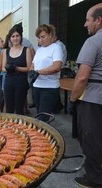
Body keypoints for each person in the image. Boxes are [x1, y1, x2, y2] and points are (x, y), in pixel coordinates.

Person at [70, 3, 102, 187]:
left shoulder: (92, 42)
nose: (85, 24)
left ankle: (94, 179)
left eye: (88, 20)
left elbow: (82, 78)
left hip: (93, 99)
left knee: (92, 139)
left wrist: (73, 99)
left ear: (99, 21)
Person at [30, 24, 63, 122]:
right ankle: (41, 134)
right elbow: (33, 65)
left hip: (49, 87)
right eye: (39, 37)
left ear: (50, 35)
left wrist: (39, 72)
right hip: (37, 86)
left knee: (43, 118)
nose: (40, 40)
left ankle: (43, 135)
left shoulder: (56, 48)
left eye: (43, 37)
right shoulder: (39, 50)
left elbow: (56, 66)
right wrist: (32, 71)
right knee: (39, 114)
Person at [2, 25, 32, 114]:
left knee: (19, 108)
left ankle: (19, 126)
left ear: (21, 37)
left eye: (17, 36)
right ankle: (9, 127)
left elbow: (29, 68)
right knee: (9, 107)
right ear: (10, 38)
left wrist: (16, 68)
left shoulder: (27, 50)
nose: (15, 38)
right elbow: (3, 67)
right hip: (9, 81)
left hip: (21, 82)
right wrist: (8, 68)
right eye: (13, 36)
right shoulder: (6, 51)